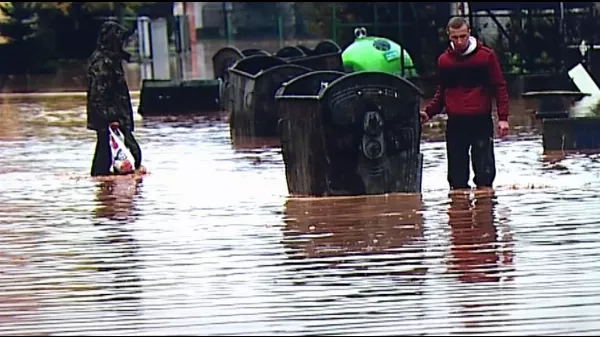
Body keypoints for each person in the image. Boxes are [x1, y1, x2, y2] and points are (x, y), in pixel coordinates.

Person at [420, 16, 509, 190]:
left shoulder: (486, 57)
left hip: (481, 121)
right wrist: (428, 113)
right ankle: (460, 215)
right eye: (455, 37)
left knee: (485, 176)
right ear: (448, 36)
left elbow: (499, 87)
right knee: (457, 180)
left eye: (463, 36)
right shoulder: (444, 61)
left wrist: (503, 118)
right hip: (456, 123)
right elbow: (443, 92)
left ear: (469, 33)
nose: (459, 41)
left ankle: (485, 212)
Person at [87, 20, 144, 177]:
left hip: (117, 118)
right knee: (111, 157)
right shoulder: (102, 62)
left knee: (124, 156)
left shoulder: (112, 60)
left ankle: (110, 190)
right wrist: (111, 118)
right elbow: (98, 94)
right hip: (110, 120)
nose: (122, 44)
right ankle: (109, 192)